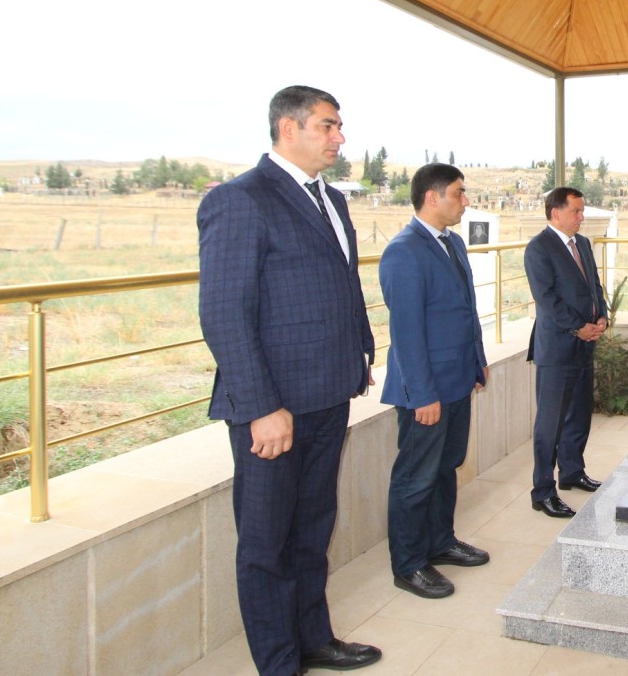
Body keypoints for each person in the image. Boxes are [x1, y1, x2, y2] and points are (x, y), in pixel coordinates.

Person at [198, 85, 381, 676]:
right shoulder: (241, 200)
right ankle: (279, 663)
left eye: (338, 126)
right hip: (274, 406)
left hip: (329, 393)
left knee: (311, 529)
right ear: (288, 128)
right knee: (266, 543)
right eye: (328, 126)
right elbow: (225, 311)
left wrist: (359, 357)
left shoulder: (332, 200)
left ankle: (313, 639)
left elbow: (338, 286)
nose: (339, 137)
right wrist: (260, 406)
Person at [379, 164, 490, 600]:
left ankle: (440, 541)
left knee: (447, 467)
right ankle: (408, 564)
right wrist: (422, 394)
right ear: (432, 197)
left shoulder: (453, 243)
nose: (465, 201)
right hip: (425, 390)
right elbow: (406, 332)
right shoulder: (404, 251)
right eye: (459, 194)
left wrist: (477, 362)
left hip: (457, 379)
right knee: (416, 476)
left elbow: (465, 308)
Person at [526, 186, 608, 518]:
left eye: (582, 210)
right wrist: (579, 326)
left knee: (579, 412)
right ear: (555, 213)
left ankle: (571, 472)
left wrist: (601, 315)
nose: (581, 216)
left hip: (585, 344)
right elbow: (547, 300)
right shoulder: (539, 248)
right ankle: (542, 491)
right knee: (550, 423)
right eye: (576, 211)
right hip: (558, 347)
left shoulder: (583, 244)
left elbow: (594, 286)